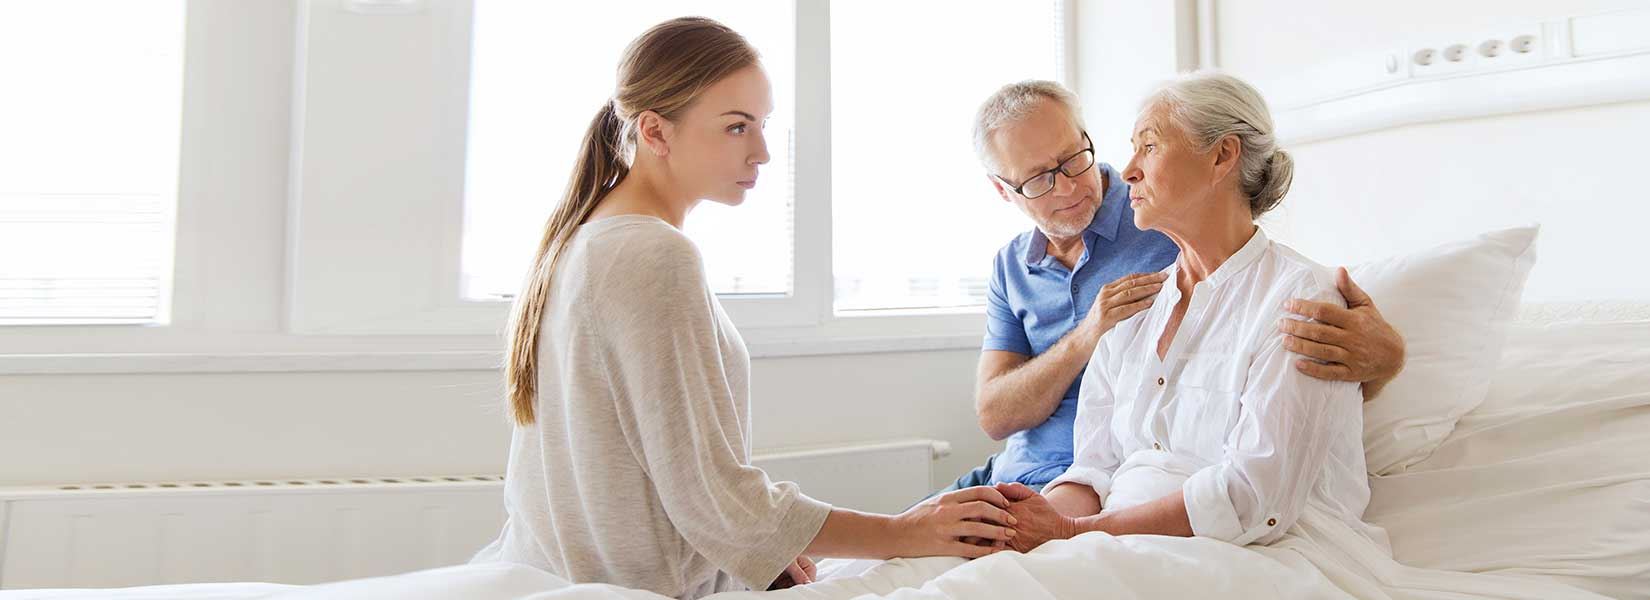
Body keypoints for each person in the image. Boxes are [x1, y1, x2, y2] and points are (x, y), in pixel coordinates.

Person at [469, 17, 1016, 600]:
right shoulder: (651, 255)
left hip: (554, 573)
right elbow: (713, 497)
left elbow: (674, 483)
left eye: (762, 126)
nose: (760, 153)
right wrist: (906, 532)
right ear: (655, 131)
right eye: (736, 127)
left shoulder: (585, 240)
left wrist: (769, 548)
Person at [938, 79, 1406, 496]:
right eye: (1039, 179)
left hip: (1084, 482)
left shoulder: (1164, 215)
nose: (1067, 187)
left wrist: (1386, 361)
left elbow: (1258, 310)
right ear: (1004, 190)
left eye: (1073, 159)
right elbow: (995, 415)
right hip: (1016, 474)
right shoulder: (1011, 266)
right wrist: (1088, 335)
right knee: (884, 559)